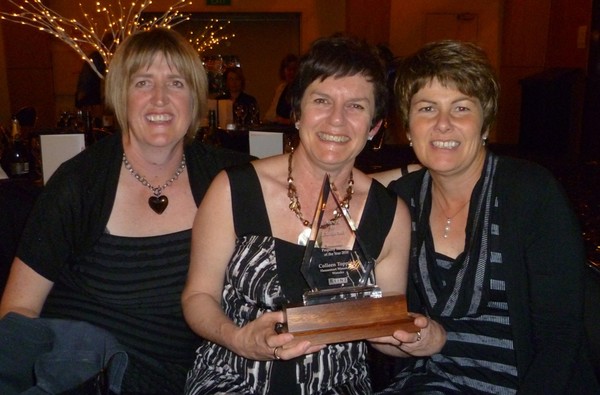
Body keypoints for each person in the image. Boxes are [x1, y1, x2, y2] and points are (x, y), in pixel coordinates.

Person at [182, 34, 446, 394]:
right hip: (232, 378)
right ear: (297, 110)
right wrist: (238, 338)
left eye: (355, 106)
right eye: (322, 101)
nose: (336, 120)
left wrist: (414, 337)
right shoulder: (234, 190)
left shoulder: (389, 215)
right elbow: (198, 297)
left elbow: (380, 328)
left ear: (374, 127)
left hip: (338, 386)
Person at [0, 28, 252, 394]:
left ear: (196, 98)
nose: (160, 99)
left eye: (176, 83)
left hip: (200, 380)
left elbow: (301, 183)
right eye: (143, 82)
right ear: (120, 96)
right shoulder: (80, 184)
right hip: (96, 378)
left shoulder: (227, 177)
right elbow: (18, 310)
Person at [379, 40, 600, 394]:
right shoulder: (401, 201)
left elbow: (560, 337)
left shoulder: (529, 192)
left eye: (461, 108)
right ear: (407, 127)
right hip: (431, 382)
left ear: (485, 124)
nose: (443, 124)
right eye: (426, 109)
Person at [263, 53, 298, 125]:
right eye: (288, 69)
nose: (291, 72)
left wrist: (286, 121)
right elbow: (270, 114)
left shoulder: (303, 90)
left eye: (294, 69)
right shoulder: (281, 88)